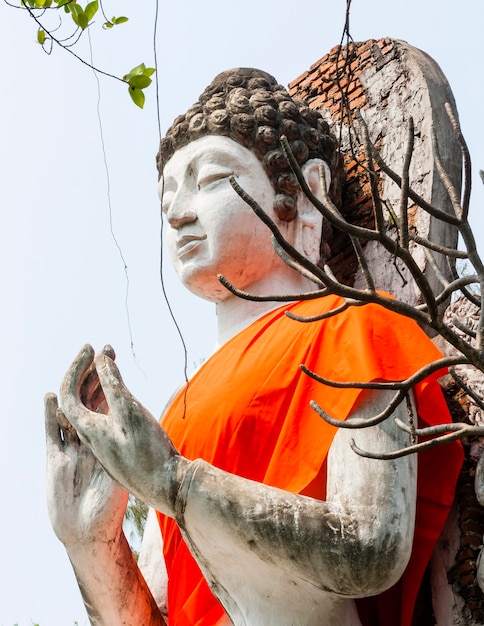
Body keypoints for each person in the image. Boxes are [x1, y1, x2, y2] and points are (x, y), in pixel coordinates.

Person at [45, 68, 463, 626]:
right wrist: (92, 544)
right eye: (168, 195)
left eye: (211, 180)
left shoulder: (355, 330)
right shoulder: (179, 410)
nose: (177, 213)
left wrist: (173, 481)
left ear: (304, 191)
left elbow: (370, 547)